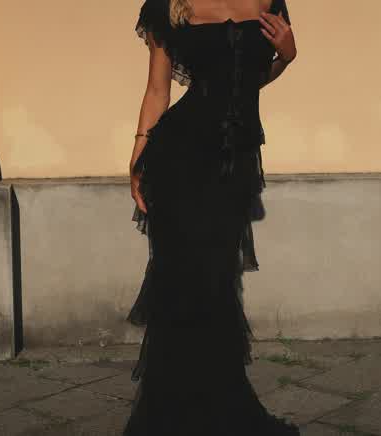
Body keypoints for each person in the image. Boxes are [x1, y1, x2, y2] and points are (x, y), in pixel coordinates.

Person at [125, 0, 298, 434]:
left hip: (233, 167)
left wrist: (287, 57)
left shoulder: (268, 3)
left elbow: (250, 78)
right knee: (181, 288)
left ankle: (221, 414)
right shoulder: (169, 6)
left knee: (217, 287)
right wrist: (137, 158)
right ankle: (170, 418)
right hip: (179, 160)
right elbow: (158, 91)